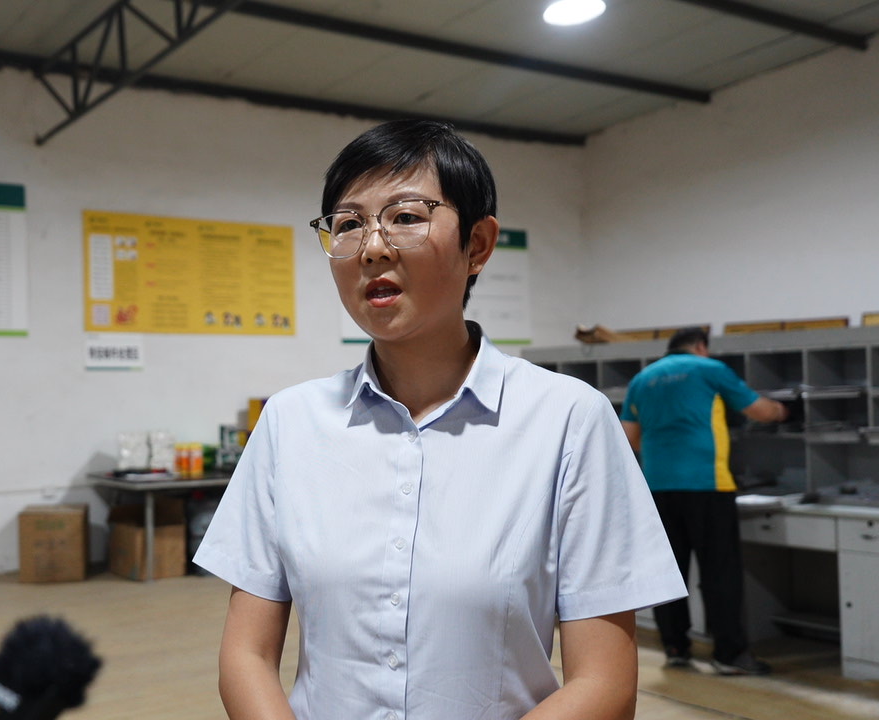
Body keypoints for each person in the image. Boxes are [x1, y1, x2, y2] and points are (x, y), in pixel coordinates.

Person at [193, 119, 686, 720]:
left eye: (406, 216)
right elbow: (245, 655)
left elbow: (605, 685)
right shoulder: (290, 423)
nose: (373, 247)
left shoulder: (568, 421)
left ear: (477, 244)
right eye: (348, 224)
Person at [619, 326, 789, 676]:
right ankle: (729, 655)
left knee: (668, 572)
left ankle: (676, 648)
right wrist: (781, 411)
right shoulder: (709, 369)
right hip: (707, 484)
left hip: (657, 488)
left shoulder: (642, 379)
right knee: (719, 572)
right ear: (700, 346)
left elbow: (630, 437)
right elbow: (758, 411)